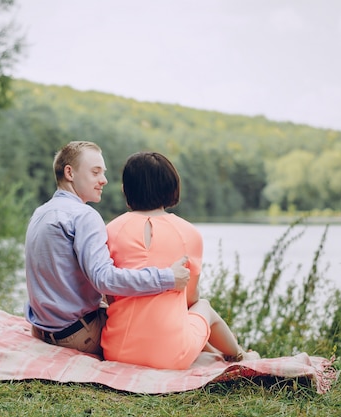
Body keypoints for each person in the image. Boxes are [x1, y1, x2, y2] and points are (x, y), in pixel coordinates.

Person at [24, 141, 190, 357]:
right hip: (76, 337)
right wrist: (167, 278)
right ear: (70, 173)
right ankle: (222, 354)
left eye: (103, 172)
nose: (104, 180)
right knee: (156, 324)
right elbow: (105, 280)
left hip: (42, 330)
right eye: (95, 172)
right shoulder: (84, 215)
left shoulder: (41, 212)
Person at [101, 151, 260, 370]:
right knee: (203, 306)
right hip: (170, 356)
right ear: (171, 186)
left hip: (117, 350)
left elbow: (110, 292)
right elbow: (190, 298)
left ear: (126, 189)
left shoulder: (110, 230)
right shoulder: (188, 232)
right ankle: (240, 355)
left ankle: (217, 352)